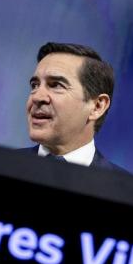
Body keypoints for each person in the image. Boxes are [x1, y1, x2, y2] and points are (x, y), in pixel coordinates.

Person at [20, 42, 125, 171]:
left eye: (56, 85)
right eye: (35, 85)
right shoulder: (1, 167)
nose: (36, 97)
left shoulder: (127, 188)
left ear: (97, 106)